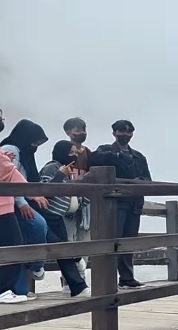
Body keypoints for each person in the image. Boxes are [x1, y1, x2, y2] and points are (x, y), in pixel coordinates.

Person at [89, 119, 150, 289]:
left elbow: (148, 179)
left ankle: (126, 278)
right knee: (112, 242)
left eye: (129, 132)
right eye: (121, 131)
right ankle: (107, 279)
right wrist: (116, 156)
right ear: (114, 133)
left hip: (134, 204)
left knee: (128, 242)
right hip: (115, 205)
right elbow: (93, 159)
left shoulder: (139, 156)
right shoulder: (106, 150)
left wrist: (139, 183)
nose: (125, 135)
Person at [0, 120, 51, 297]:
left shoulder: (21, 151)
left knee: (17, 245)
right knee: (33, 230)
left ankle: (18, 290)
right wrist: (27, 198)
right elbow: (9, 173)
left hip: (10, 203)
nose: (36, 146)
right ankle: (35, 267)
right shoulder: (11, 148)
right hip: (9, 203)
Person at [38, 140, 91, 297]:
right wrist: (60, 174)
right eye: (71, 152)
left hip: (59, 217)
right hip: (49, 215)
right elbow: (44, 190)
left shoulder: (69, 170)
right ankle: (77, 286)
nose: (74, 155)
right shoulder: (51, 167)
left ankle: (76, 286)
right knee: (63, 250)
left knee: (64, 250)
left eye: (75, 153)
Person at [60, 117, 92, 282]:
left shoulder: (89, 152)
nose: (81, 133)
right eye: (77, 130)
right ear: (68, 132)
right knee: (69, 239)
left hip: (85, 204)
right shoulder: (63, 150)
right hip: (67, 203)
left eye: (83, 129)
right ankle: (69, 279)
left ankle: (81, 277)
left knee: (85, 239)